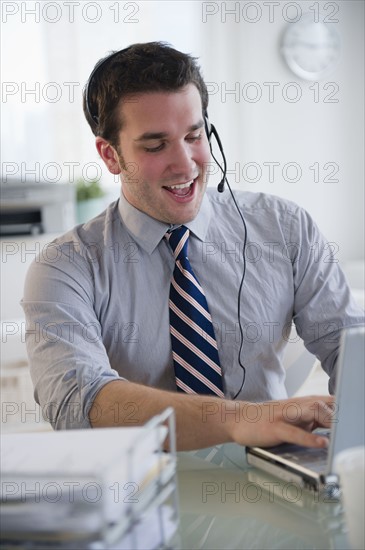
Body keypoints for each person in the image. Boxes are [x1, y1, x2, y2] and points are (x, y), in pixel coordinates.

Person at [22, 42, 363, 451]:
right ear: (110, 155)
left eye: (193, 135)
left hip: (274, 478)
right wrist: (239, 420)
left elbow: (350, 349)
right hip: (140, 489)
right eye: (155, 145)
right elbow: (79, 400)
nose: (184, 165)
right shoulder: (65, 267)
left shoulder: (284, 228)